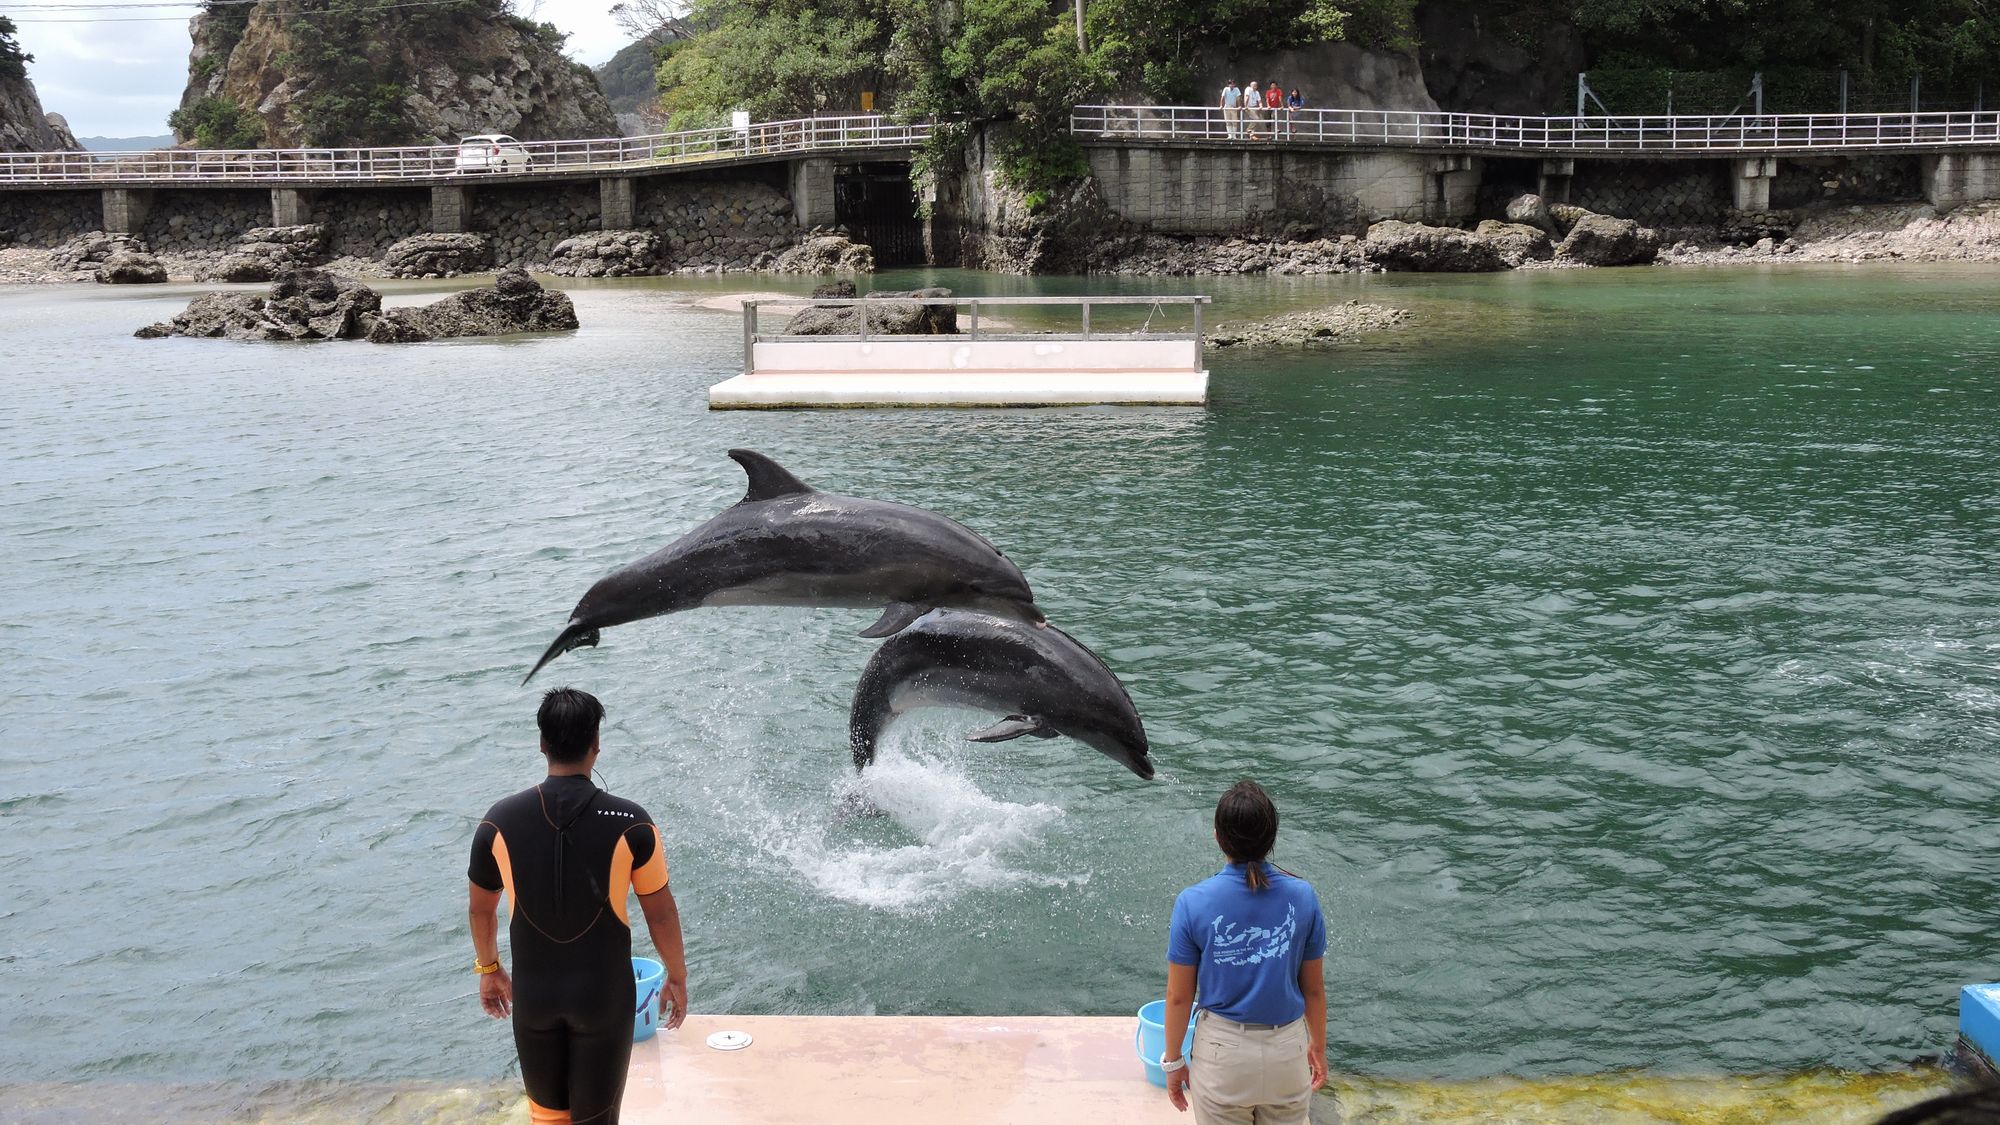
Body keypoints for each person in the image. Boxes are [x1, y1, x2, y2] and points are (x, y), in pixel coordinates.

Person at [468, 688, 689, 1125]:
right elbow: (659, 912)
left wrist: (490, 971)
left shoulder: (498, 821)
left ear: (542, 744)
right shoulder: (633, 824)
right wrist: (676, 977)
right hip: (602, 999)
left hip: (535, 999)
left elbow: (481, 910)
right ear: (596, 744)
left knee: (549, 1120)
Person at [1161, 780, 1327, 1124]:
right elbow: (1312, 989)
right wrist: (1318, 1049)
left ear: (1218, 836)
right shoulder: (1304, 897)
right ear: (1271, 837)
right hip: (1287, 1052)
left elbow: (1179, 997)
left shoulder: (1193, 902)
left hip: (1224, 1057)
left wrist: (1174, 1061)